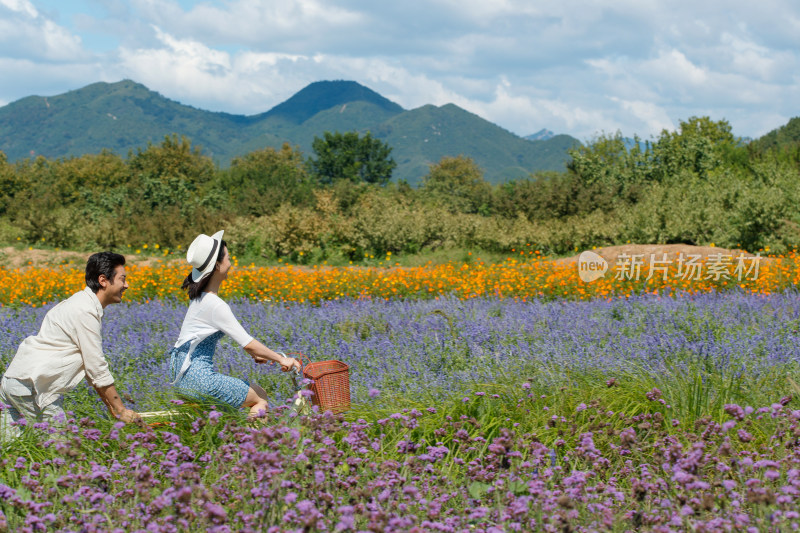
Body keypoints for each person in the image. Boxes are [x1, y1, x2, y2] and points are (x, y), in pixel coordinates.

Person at [0, 252, 139, 438]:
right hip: (31, 387)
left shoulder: (79, 303)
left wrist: (112, 408)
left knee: (11, 453)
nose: (126, 285)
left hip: (14, 381)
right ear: (103, 280)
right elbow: (96, 367)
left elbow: (93, 373)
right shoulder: (85, 311)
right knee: (60, 447)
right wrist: (120, 409)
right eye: (123, 279)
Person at [168, 230, 301, 417]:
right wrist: (281, 359)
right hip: (199, 379)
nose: (231, 264)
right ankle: (253, 445)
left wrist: (264, 355)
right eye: (228, 259)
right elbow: (248, 344)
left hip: (181, 379)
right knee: (260, 397)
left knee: (226, 415)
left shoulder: (200, 299)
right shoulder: (215, 304)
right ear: (217, 266)